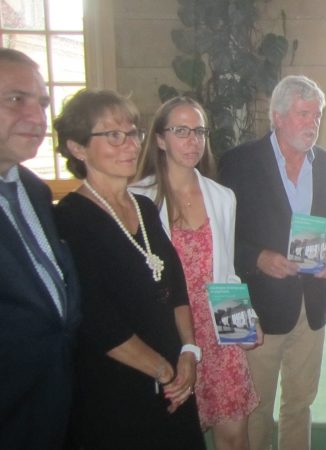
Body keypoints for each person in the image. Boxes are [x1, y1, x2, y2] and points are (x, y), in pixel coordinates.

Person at [53, 89, 205, 450]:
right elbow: (96, 319)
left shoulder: (144, 208)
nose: (130, 145)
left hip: (171, 378)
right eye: (113, 135)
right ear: (78, 148)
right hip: (117, 387)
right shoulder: (69, 219)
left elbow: (175, 286)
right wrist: (163, 370)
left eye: (133, 133)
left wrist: (188, 352)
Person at [218, 75, 326, 450]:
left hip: (312, 304)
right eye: (303, 114)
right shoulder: (238, 163)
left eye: (317, 115)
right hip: (259, 306)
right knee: (256, 406)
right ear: (277, 116)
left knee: (300, 403)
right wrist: (257, 257)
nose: (312, 124)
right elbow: (219, 237)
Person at [131, 96, 262, 450]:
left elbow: (227, 272)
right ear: (160, 139)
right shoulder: (137, 198)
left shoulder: (222, 197)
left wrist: (245, 320)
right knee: (176, 435)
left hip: (220, 329)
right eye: (181, 131)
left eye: (199, 131)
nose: (193, 141)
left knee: (234, 436)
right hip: (171, 331)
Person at [0, 48, 81, 450]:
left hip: (51, 404)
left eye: (42, 103)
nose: (36, 117)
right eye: (16, 99)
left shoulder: (34, 191)